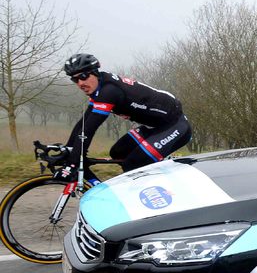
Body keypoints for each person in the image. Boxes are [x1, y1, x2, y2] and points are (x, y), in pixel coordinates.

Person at [60, 53, 192, 183]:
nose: (80, 83)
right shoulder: (99, 90)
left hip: (175, 125)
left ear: (95, 72)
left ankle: (160, 188)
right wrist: (69, 147)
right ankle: (150, 175)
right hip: (155, 126)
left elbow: (90, 129)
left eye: (83, 76)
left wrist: (73, 161)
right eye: (75, 79)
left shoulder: (109, 92)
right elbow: (84, 123)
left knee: (133, 164)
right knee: (118, 152)